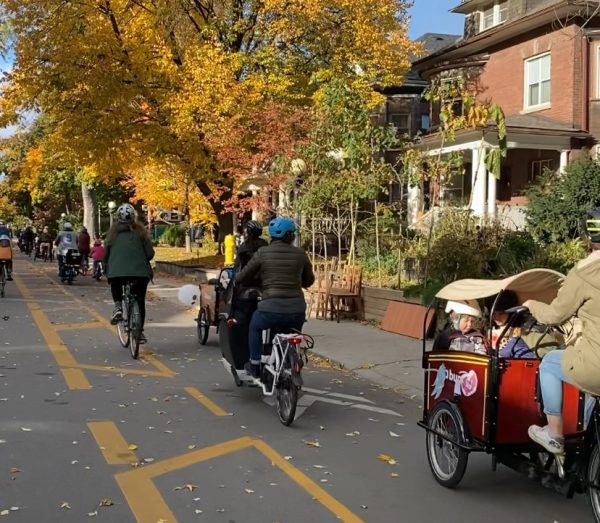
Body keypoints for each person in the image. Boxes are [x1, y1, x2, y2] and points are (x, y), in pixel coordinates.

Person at [524, 208, 600, 454]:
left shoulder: (584, 273)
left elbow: (555, 315)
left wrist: (531, 305)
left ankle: (555, 433)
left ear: (589, 240)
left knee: (549, 363)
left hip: (595, 364)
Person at [235, 216, 315, 378]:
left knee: (255, 327)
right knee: (293, 333)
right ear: (289, 236)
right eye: (292, 233)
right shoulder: (300, 254)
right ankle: (293, 360)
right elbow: (309, 280)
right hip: (296, 310)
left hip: (269, 309)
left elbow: (241, 277)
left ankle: (255, 364)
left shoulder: (262, 253)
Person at [103, 203, 154, 343]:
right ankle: (140, 332)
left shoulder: (112, 234)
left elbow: (105, 255)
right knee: (139, 300)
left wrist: (105, 268)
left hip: (117, 271)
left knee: (115, 282)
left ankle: (118, 306)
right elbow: (150, 254)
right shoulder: (141, 232)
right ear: (134, 217)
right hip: (140, 273)